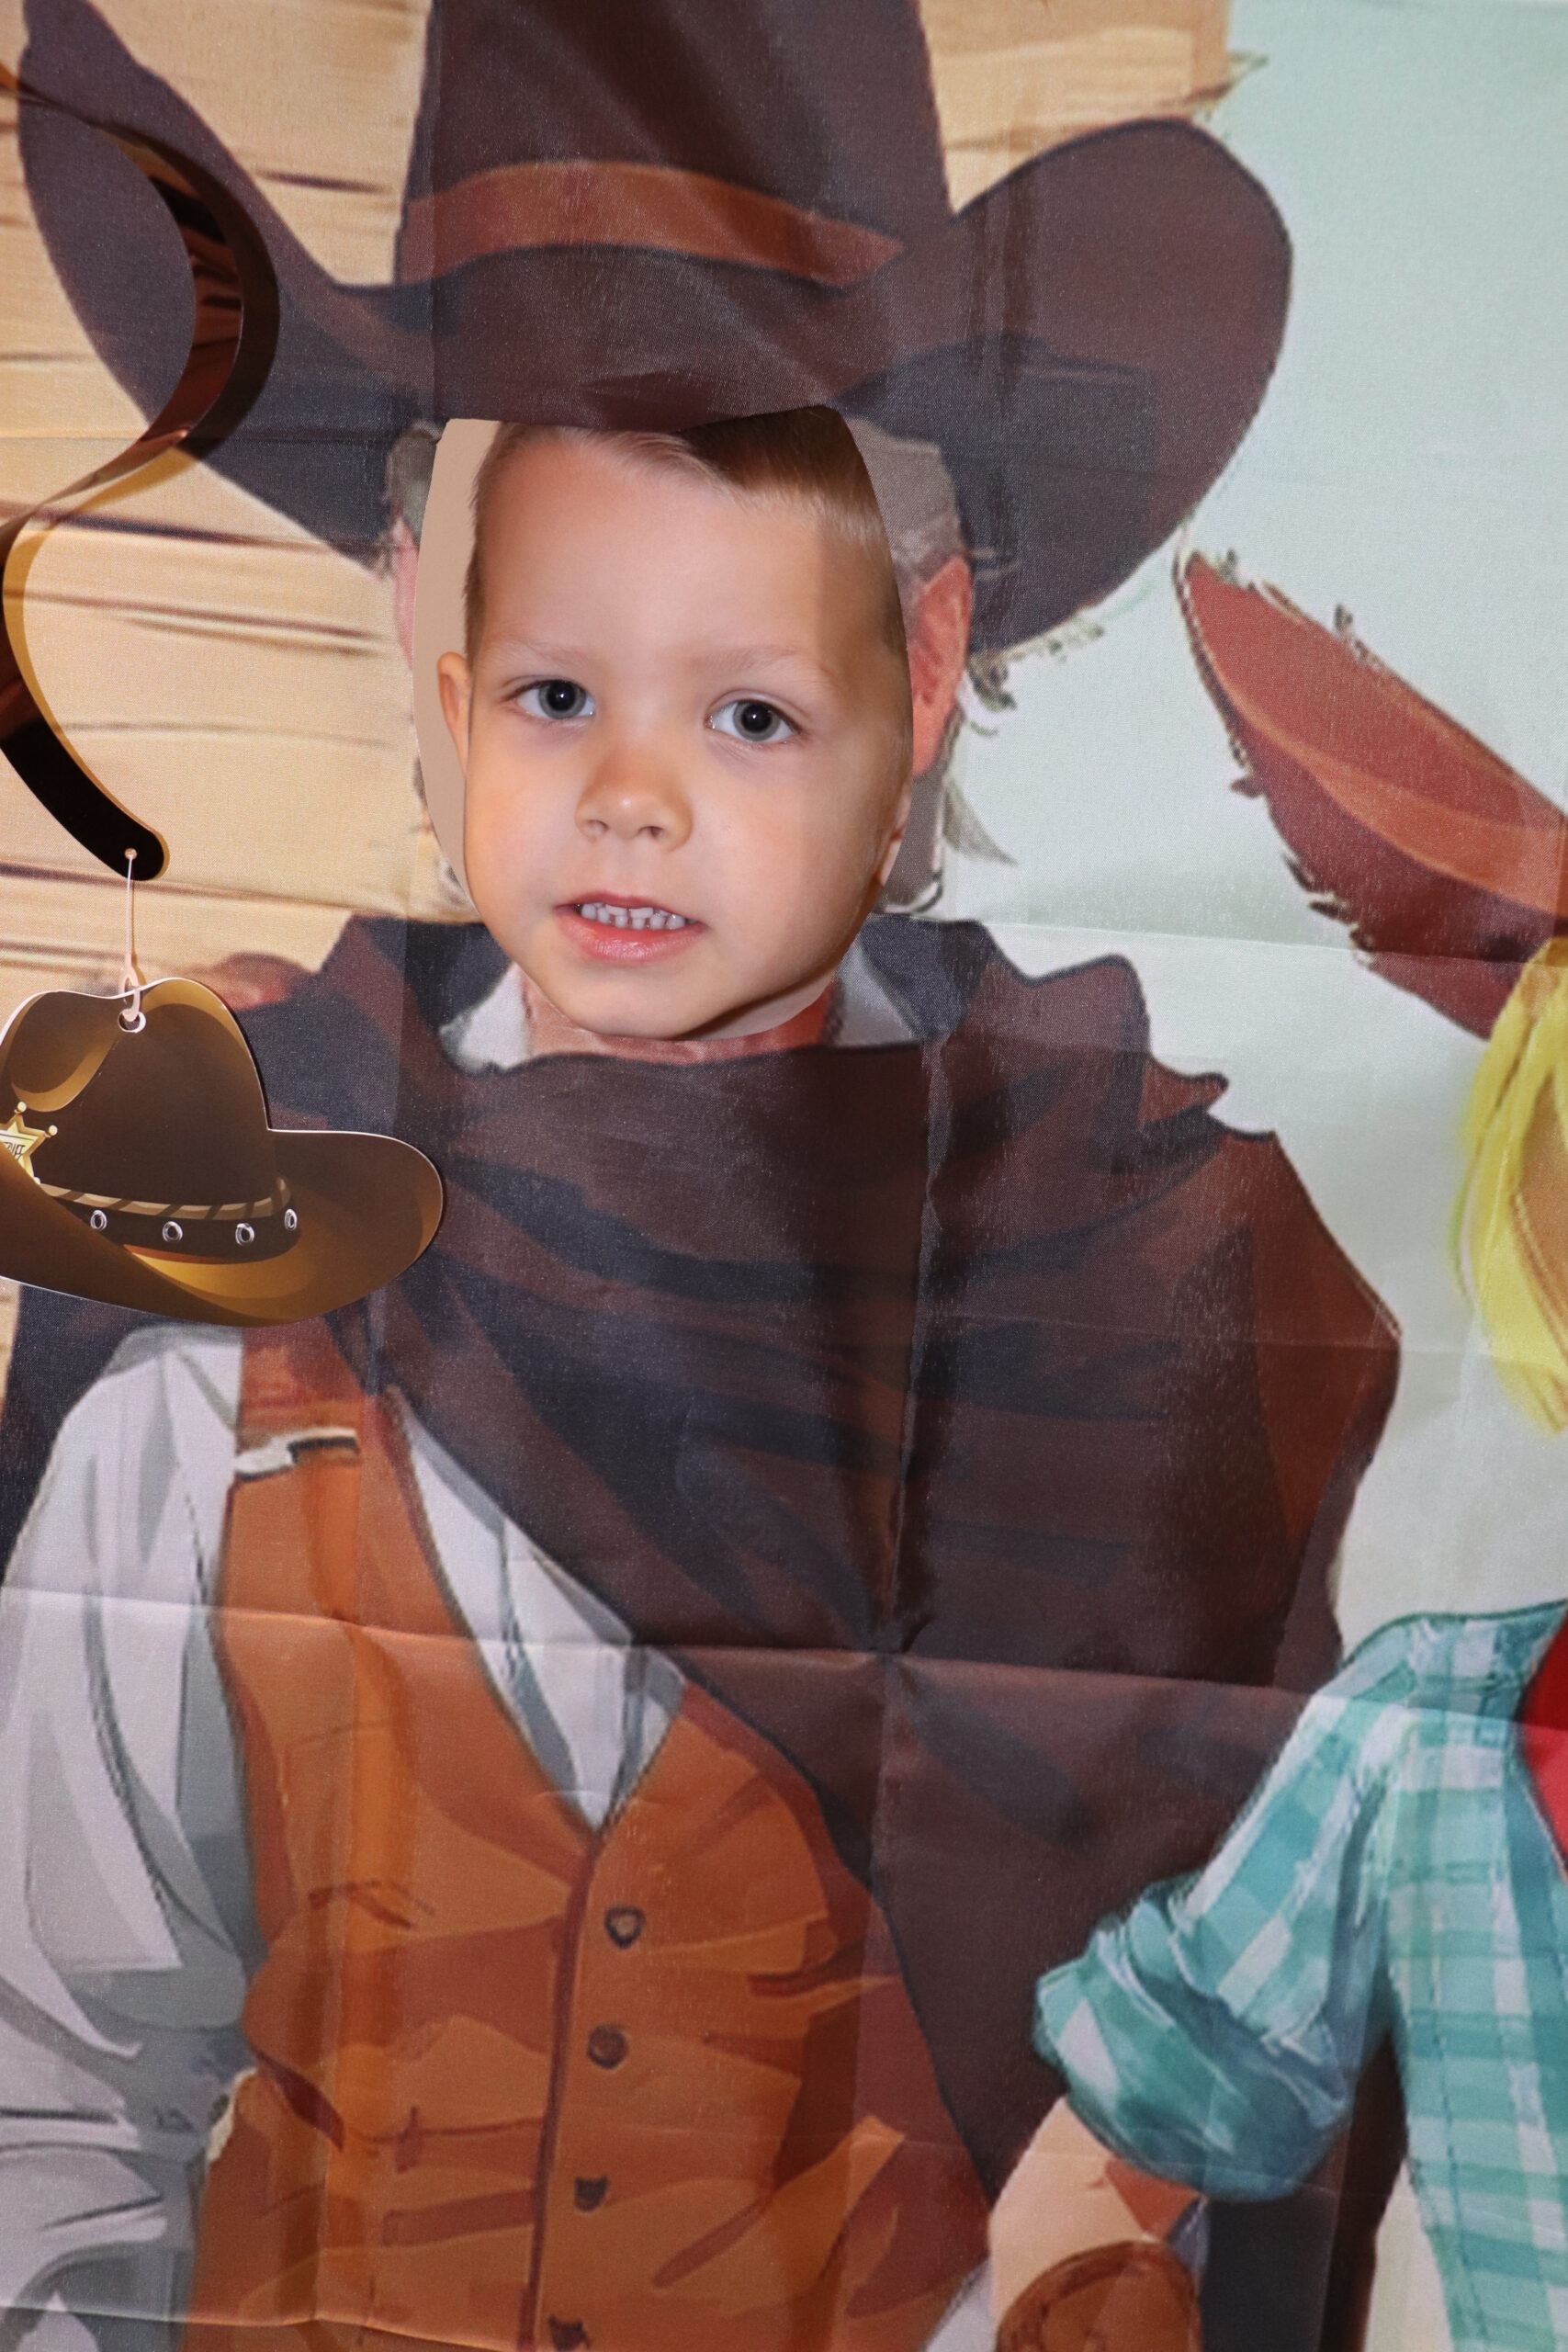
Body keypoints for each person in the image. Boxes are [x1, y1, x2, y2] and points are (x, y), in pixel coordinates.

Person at [9, 6, 1405, 2346]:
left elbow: (1225, 2122)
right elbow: (54, 2073)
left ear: (922, 671)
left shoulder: (1138, 1284)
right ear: (432, 649)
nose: (633, 797)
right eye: (556, 693)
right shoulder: (238, 1228)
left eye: (747, 709)